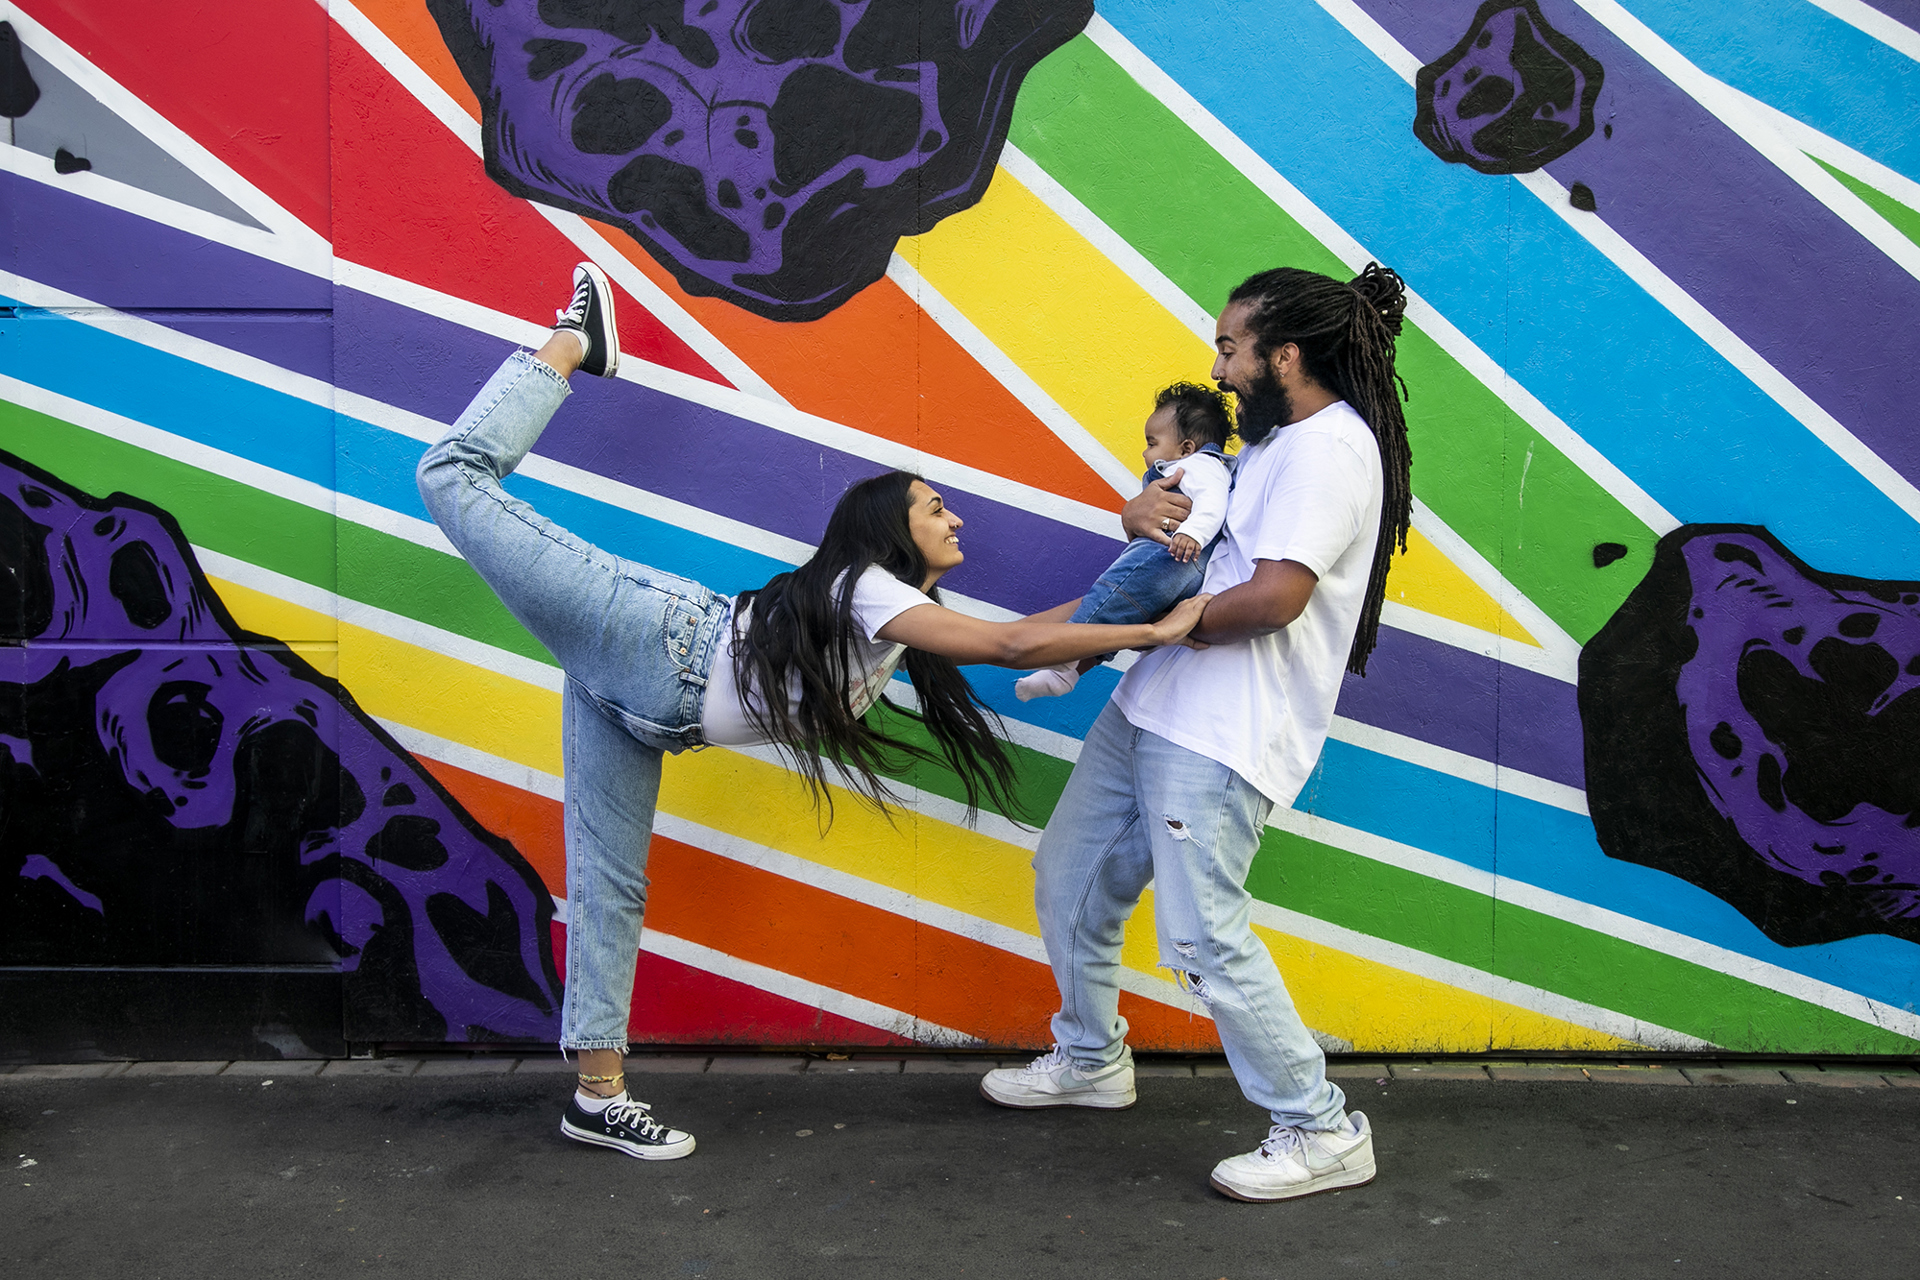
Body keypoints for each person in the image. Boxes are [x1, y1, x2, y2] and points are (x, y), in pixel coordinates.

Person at [415, 263, 1211, 1162]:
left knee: (610, 887)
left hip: (645, 703)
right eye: (935, 507)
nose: (954, 519)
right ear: (888, 531)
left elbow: (1024, 631)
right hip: (646, 637)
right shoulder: (868, 587)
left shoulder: (894, 615)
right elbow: (1013, 649)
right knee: (451, 477)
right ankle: (574, 338)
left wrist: (1130, 594)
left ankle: (597, 1097)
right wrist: (1160, 626)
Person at [980, 264, 1414, 1204]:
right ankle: (1091, 1060)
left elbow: (1272, 598)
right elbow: (1183, 563)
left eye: (1230, 347)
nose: (1218, 369)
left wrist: (1146, 631)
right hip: (1154, 706)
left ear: (1285, 355)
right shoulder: (1265, 450)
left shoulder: (1330, 452)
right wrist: (1137, 518)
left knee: (1203, 936)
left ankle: (1321, 1126)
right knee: (1070, 875)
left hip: (1224, 735)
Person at [1014, 382, 1234, 701]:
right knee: (1124, 614)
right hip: (1177, 560)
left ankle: (1062, 656)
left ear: (1186, 448)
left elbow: (1213, 502)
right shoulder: (1198, 465)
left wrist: (1193, 533)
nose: (1145, 453)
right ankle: (1071, 670)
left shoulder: (1201, 465)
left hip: (1170, 554)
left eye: (1152, 443)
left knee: (1110, 593)